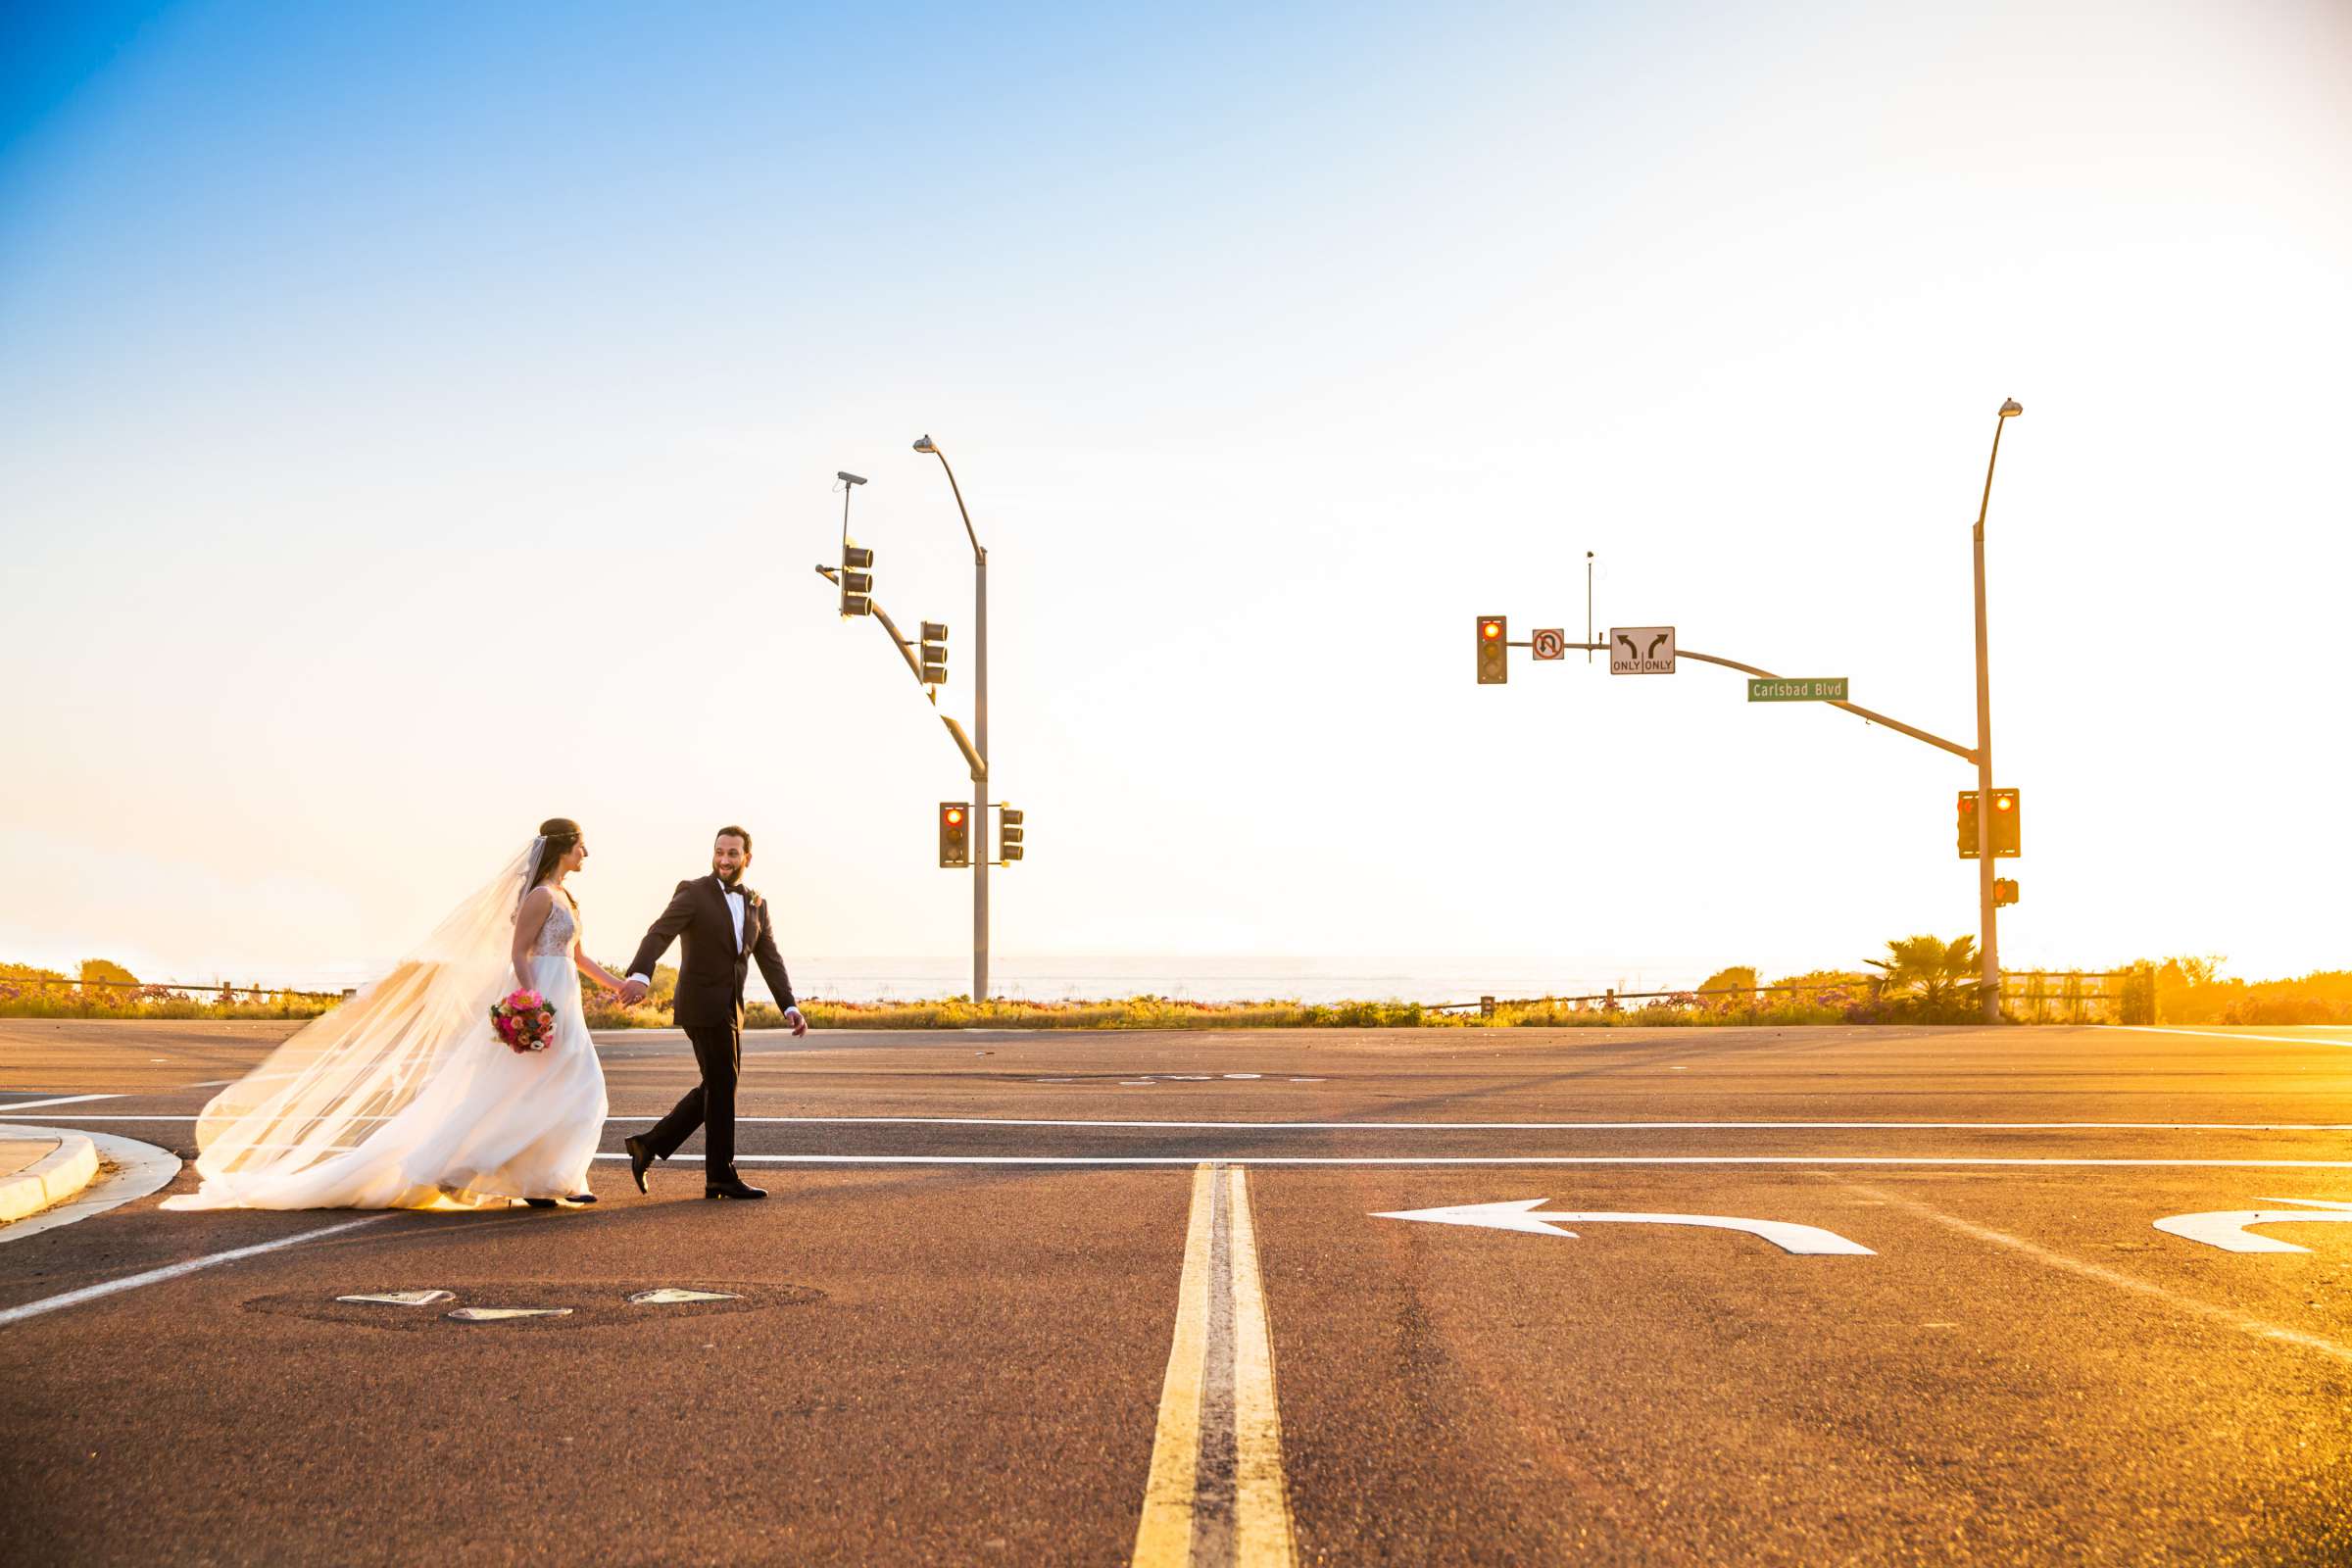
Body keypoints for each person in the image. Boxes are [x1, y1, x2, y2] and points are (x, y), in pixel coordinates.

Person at [163, 819, 621, 1211]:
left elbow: (579, 957)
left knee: (572, 1084)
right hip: (540, 994)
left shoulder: (568, 899)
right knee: (518, 1086)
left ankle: (550, 1180)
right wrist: (531, 1000)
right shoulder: (540, 896)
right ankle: (466, 1167)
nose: (588, 853)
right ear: (564, 847)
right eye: (582, 844)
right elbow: (519, 951)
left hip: (567, 994)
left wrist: (619, 986)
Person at [615, 823, 807, 1200]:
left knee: (718, 1087)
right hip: (701, 1005)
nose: (724, 859)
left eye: (732, 853)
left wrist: (789, 1004)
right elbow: (659, 933)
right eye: (720, 851)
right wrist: (640, 973)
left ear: (746, 858)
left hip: (731, 1008)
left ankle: (648, 1144)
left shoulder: (756, 903)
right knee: (722, 1086)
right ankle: (719, 1174)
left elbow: (769, 958)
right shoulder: (693, 892)